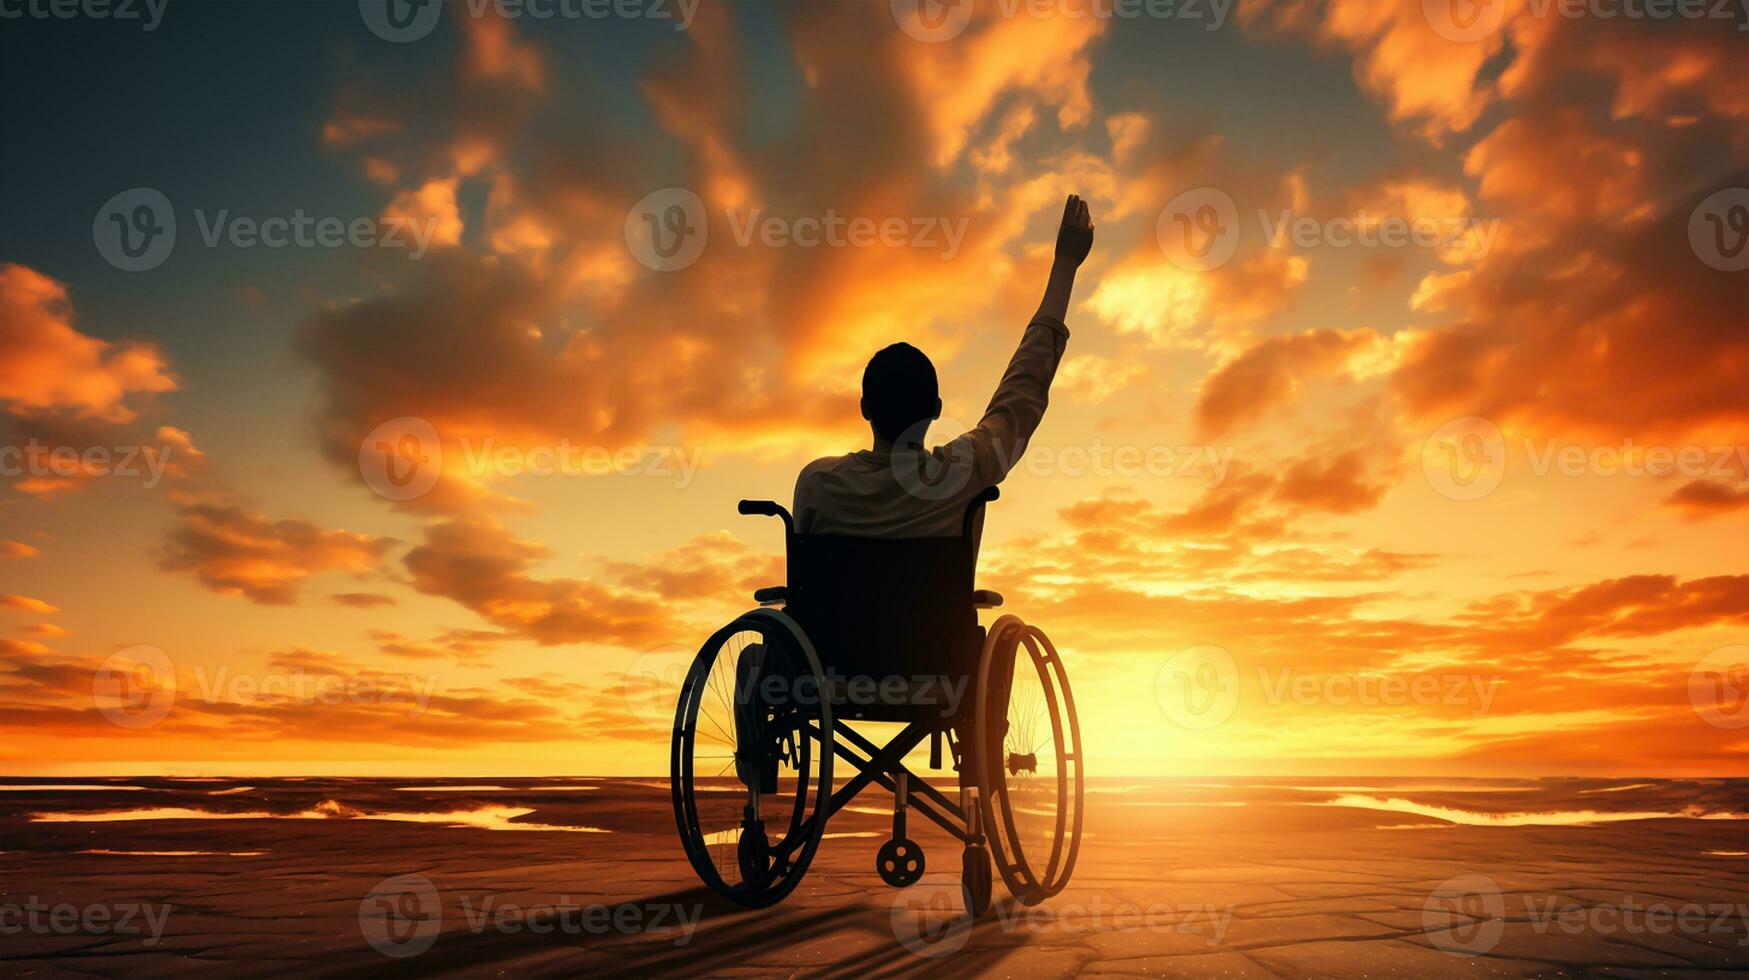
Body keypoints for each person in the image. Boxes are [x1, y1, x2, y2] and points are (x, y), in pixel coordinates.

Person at [793, 194, 1095, 538]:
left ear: (864, 408)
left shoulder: (818, 485)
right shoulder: (965, 471)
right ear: (936, 409)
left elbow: (808, 584)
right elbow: (1023, 390)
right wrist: (1066, 263)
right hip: (942, 597)